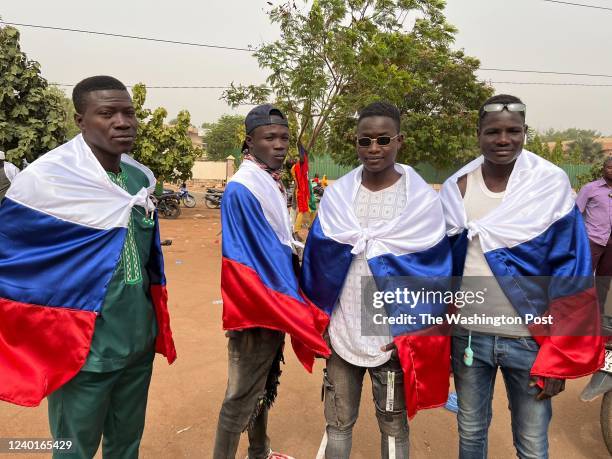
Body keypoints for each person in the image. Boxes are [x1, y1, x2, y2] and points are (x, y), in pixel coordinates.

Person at [0, 75, 177, 459]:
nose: (122, 122)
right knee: (73, 449)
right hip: (82, 348)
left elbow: (148, 263)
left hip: (136, 341)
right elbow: (15, 257)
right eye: (107, 113)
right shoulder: (51, 181)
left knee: (125, 445)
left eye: (128, 113)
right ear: (80, 120)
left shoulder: (139, 179)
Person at [440, 94, 604, 458]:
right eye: (493, 131)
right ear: (478, 133)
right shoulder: (457, 188)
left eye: (513, 131)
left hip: (529, 341)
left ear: (525, 132)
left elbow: (571, 272)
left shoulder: (549, 184)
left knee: (531, 443)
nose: (503, 140)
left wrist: (559, 356)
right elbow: (439, 266)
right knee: (470, 433)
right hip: (470, 337)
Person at [301, 102, 453, 459]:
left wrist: (411, 334)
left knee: (394, 426)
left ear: (399, 141)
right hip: (342, 329)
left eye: (383, 140)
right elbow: (318, 262)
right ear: (355, 143)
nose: (373, 149)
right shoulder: (339, 196)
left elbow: (433, 275)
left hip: (391, 336)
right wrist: (321, 319)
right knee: (338, 425)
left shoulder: (421, 202)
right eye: (364, 141)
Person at [214, 104, 329, 459]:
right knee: (240, 395)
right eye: (270, 138)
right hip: (257, 304)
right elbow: (258, 255)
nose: (280, 145)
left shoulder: (269, 181)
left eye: (284, 138)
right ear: (250, 142)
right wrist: (296, 301)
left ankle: (259, 450)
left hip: (271, 301)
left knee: (264, 383)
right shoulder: (244, 188)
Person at [577, 158, 612, 309]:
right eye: (610, 167)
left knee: (604, 280)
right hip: (592, 239)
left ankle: (599, 313)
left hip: (611, 244)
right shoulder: (590, 188)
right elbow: (576, 213)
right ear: (603, 168)